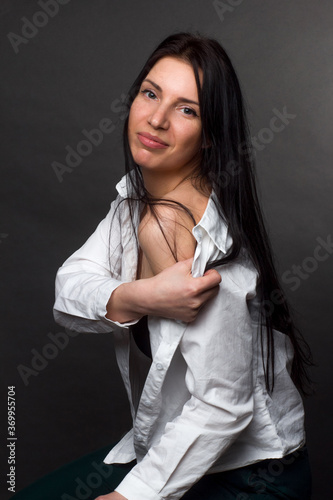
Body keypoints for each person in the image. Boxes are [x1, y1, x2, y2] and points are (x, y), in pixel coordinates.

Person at [13, 32, 313, 500]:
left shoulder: (183, 229)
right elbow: (69, 289)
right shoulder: (138, 198)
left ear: (210, 134)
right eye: (150, 93)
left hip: (251, 478)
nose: (156, 118)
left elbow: (223, 404)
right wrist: (143, 296)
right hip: (173, 451)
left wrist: (130, 496)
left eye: (186, 109)